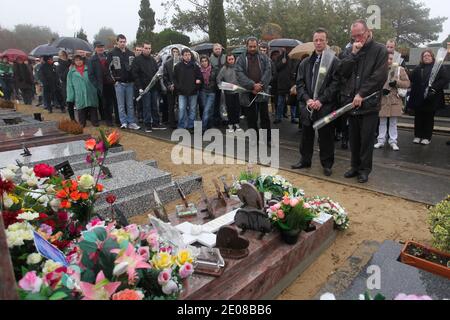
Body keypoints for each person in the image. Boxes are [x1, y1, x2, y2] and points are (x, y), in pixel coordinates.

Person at [340, 19, 389, 184]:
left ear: (367, 32)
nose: (357, 39)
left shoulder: (380, 50)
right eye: (354, 36)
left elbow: (379, 76)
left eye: (359, 35)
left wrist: (361, 93)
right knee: (353, 138)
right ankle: (354, 166)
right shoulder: (350, 49)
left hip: (369, 103)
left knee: (366, 139)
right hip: (352, 103)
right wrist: (353, 55)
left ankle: (364, 170)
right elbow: (342, 72)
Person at [292, 28, 340, 177]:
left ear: (327, 42)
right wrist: (307, 99)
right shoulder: (305, 62)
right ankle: (305, 160)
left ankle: (327, 164)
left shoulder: (334, 61)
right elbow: (299, 83)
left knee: (326, 136)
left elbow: (335, 84)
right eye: (316, 40)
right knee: (306, 134)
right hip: (308, 105)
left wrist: (321, 100)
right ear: (313, 41)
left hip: (325, 105)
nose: (318, 43)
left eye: (322, 40)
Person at [407, 49, 449, 145]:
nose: (426, 57)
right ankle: (417, 136)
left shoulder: (438, 67)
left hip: (432, 96)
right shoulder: (418, 68)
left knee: (429, 117)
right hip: (419, 97)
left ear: (432, 57)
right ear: (422, 58)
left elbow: (445, 79)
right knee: (418, 117)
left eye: (428, 55)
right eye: (424, 56)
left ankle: (427, 137)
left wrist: (434, 88)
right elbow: (411, 78)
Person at [236, 37, 272, 144]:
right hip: (248, 92)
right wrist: (252, 86)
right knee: (251, 118)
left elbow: (268, 71)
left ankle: (267, 139)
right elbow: (239, 74)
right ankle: (254, 138)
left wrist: (260, 85)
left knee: (265, 117)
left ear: (257, 46)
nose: (252, 48)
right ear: (246, 46)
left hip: (262, 90)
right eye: (250, 46)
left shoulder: (264, 57)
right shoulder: (241, 59)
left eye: (254, 46)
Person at [374, 52, 410, 151]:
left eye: (391, 59)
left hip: (395, 99)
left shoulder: (400, 70)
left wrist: (397, 83)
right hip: (383, 99)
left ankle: (393, 141)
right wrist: (381, 91)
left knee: (393, 122)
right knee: (382, 121)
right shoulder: (380, 69)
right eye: (388, 59)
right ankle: (381, 140)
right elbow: (374, 84)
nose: (389, 61)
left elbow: (407, 83)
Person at [107, 34, 140, 130]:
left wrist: (134, 80)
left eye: (124, 41)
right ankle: (123, 122)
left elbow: (134, 68)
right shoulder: (112, 53)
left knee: (130, 104)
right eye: (120, 41)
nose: (122, 43)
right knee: (121, 105)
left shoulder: (130, 53)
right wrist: (114, 81)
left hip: (130, 83)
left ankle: (131, 122)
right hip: (119, 83)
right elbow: (108, 69)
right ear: (117, 42)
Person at [132, 42, 166, 132]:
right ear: (142, 48)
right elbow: (135, 75)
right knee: (146, 106)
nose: (148, 50)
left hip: (153, 87)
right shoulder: (137, 60)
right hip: (144, 88)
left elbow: (156, 73)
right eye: (146, 48)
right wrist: (139, 87)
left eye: (149, 48)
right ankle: (148, 125)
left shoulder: (152, 60)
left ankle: (156, 123)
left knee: (155, 106)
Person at [89, 41, 118, 126]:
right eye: (98, 47)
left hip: (111, 83)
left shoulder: (108, 56)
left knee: (115, 102)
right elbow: (91, 75)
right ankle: (108, 120)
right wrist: (97, 85)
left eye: (101, 47)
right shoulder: (92, 60)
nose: (100, 48)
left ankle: (117, 119)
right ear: (95, 48)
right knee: (106, 104)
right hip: (102, 85)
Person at [173, 48, 202, 131]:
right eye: (185, 55)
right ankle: (181, 126)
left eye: (189, 54)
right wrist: (178, 87)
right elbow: (174, 78)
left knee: (192, 110)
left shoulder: (195, 66)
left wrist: (198, 82)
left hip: (193, 92)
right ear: (182, 56)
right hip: (182, 92)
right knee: (182, 109)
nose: (188, 56)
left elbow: (200, 77)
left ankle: (190, 126)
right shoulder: (178, 66)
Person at [66, 55, 99, 127]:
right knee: (81, 108)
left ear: (83, 60)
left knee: (93, 107)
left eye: (80, 60)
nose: (79, 62)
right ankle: (82, 123)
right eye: (77, 60)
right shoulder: (71, 72)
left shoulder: (89, 68)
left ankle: (95, 122)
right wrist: (70, 96)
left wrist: (95, 88)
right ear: (74, 62)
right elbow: (69, 85)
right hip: (79, 93)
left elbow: (95, 78)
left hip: (90, 91)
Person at [217, 53, 242, 133]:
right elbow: (218, 79)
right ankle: (230, 124)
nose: (231, 61)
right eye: (229, 59)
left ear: (234, 59)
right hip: (228, 92)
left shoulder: (238, 67)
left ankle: (237, 124)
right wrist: (225, 86)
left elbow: (242, 77)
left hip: (238, 91)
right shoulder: (224, 68)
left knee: (237, 109)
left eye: (232, 59)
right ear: (227, 60)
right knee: (230, 108)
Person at [274, 48, 299, 124]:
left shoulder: (293, 58)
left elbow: (295, 69)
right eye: (282, 48)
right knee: (280, 102)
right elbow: (276, 68)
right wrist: (282, 62)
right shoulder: (279, 58)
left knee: (292, 102)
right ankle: (278, 117)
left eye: (286, 48)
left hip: (291, 83)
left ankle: (293, 117)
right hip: (281, 83)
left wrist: (294, 82)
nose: (284, 50)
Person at [198, 55, 218, 131]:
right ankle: (209, 125)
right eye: (202, 61)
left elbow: (217, 79)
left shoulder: (213, 69)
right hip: (203, 91)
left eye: (205, 61)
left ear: (208, 61)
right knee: (206, 109)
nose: (204, 63)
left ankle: (203, 128)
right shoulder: (199, 70)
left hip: (211, 92)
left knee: (207, 110)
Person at [163, 47, 180, 129]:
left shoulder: (181, 62)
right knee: (171, 105)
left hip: (180, 88)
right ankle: (172, 123)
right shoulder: (167, 63)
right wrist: (169, 85)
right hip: (171, 88)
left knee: (181, 106)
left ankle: (180, 121)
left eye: (177, 52)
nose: (175, 53)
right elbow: (165, 77)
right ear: (171, 52)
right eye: (174, 51)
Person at [210, 43, 226, 127]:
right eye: (216, 49)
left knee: (225, 103)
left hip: (225, 83)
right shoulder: (210, 59)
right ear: (213, 50)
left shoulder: (225, 57)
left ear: (221, 49)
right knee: (216, 103)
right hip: (215, 85)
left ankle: (225, 119)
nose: (217, 50)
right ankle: (216, 119)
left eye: (219, 49)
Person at [56, 50, 71, 119]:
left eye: (65, 55)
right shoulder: (59, 65)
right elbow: (62, 77)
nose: (64, 57)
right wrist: (69, 69)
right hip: (66, 85)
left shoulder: (71, 62)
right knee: (69, 102)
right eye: (62, 55)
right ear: (59, 56)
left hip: (75, 83)